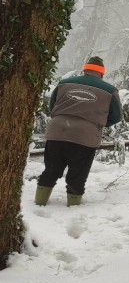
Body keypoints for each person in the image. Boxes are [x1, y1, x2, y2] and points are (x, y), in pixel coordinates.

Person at [35, 57, 122, 207]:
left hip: (58, 131)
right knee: (78, 174)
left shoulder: (64, 83)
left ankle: (39, 202)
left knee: (51, 169)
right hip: (85, 137)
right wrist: (97, 123)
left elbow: (52, 106)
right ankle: (73, 206)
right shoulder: (110, 91)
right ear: (102, 73)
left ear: (85, 69)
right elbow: (116, 116)